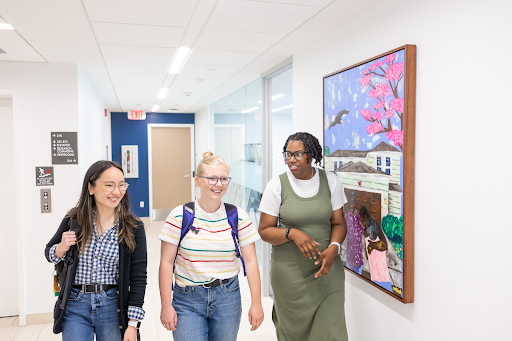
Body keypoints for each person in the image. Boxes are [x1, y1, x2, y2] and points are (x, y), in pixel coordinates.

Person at [158, 150, 264, 341]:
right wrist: (166, 305)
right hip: (187, 299)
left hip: (227, 298)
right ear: (197, 181)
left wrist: (256, 303)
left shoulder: (238, 217)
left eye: (224, 179)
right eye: (212, 179)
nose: (219, 184)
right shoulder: (179, 216)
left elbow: (251, 262)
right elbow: (166, 263)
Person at [258, 132, 348, 341]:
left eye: (297, 154)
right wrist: (292, 233)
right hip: (290, 274)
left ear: (311, 155)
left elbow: (338, 223)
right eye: (287, 154)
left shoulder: (330, 181)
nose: (291, 160)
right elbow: (264, 231)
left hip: (327, 270)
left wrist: (334, 247)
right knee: (293, 334)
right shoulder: (277, 185)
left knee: (333, 332)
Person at [45, 160, 147, 341]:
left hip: (112, 306)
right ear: (91, 187)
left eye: (121, 185)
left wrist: (133, 324)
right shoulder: (74, 219)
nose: (116, 192)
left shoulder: (133, 227)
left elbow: (138, 277)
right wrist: (61, 248)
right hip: (75, 304)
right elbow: (49, 253)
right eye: (109, 185)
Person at [345, 192, 365, 275]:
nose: (352, 204)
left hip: (358, 256)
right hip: (349, 255)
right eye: (350, 202)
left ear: (355, 204)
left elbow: (364, 231)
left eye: (353, 202)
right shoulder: (347, 216)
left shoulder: (360, 217)